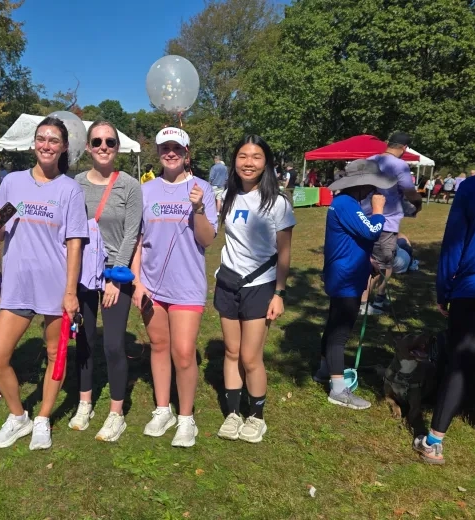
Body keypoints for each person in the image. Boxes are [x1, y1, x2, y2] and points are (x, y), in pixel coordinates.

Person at [0, 116, 88, 451]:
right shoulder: (12, 182)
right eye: (41, 138)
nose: (46, 145)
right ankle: (19, 417)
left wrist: (71, 292)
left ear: (64, 147)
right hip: (18, 285)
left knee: (55, 354)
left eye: (54, 140)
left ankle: (43, 417)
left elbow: (75, 242)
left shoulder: (70, 189)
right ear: (34, 143)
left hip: (56, 285)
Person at [413, 117, 475, 464]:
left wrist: (444, 290)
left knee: (461, 363)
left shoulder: (472, 188)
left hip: (473, 288)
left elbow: (454, 245)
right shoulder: (472, 188)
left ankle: (434, 440)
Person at [131, 127, 217, 448]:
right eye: (165, 148)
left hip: (187, 285)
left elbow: (207, 239)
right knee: (158, 347)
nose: (170, 153)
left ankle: (186, 418)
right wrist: (136, 280)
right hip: (151, 284)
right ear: (159, 152)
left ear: (186, 153)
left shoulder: (202, 189)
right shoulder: (146, 190)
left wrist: (197, 209)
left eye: (177, 148)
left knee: (183, 353)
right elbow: (138, 239)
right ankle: (162, 409)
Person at [213, 135, 294, 443]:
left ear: (266, 162)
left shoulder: (278, 203)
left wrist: (279, 292)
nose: (249, 162)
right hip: (228, 282)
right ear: (235, 161)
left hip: (260, 286)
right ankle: (233, 413)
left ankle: (256, 417)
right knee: (231, 351)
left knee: (250, 357)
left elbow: (285, 252)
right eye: (243, 156)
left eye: (256, 157)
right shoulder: (228, 196)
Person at [68, 120, 143, 441]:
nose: (103, 147)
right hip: (83, 271)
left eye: (109, 142)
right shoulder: (75, 184)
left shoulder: (129, 185)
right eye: (97, 141)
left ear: (117, 147)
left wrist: (115, 277)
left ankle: (116, 413)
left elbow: (131, 233)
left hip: (116, 273)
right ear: (87, 146)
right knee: (83, 340)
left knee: (113, 343)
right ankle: (84, 402)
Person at [313, 160, 391, 410]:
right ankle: (338, 390)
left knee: (335, 322)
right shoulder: (346, 203)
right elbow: (370, 231)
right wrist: (378, 211)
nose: (375, 190)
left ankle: (325, 370)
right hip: (346, 277)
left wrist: (366, 259)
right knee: (340, 332)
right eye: (372, 184)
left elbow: (351, 237)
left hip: (346, 272)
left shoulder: (346, 203)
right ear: (362, 184)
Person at [360, 131, 422, 315]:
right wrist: (418, 204)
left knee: (366, 261)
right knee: (385, 264)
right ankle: (374, 301)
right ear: (404, 148)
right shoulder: (399, 165)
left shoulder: (370, 160)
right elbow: (410, 192)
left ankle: (364, 301)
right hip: (386, 223)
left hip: (364, 219)